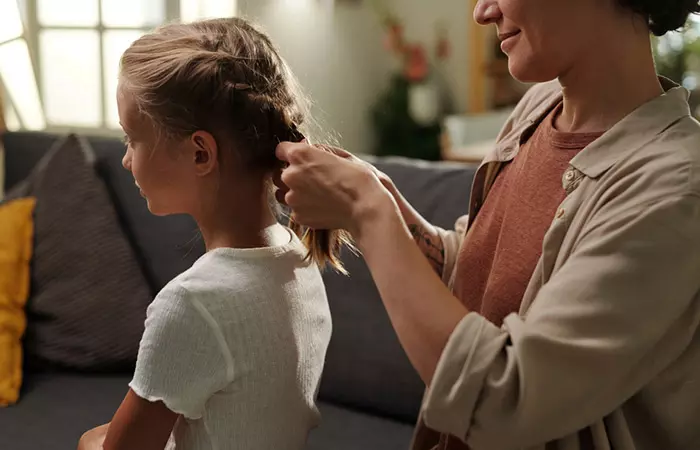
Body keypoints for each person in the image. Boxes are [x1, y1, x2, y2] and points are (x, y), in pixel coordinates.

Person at [275, 0, 700, 449]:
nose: (482, 11)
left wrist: (368, 211)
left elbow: (506, 400)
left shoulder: (673, 187)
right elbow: (483, 272)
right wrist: (382, 200)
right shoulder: (537, 111)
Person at [78, 17, 347, 450]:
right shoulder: (299, 257)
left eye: (132, 139)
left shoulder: (192, 304)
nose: (127, 160)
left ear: (200, 152)